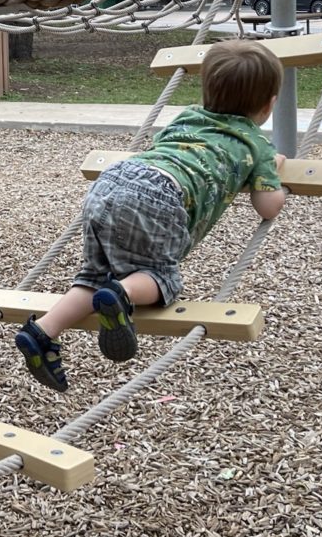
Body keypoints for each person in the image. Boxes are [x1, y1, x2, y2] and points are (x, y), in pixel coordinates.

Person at [15, 39, 288, 391]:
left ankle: (43, 331)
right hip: (162, 195)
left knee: (94, 276)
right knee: (161, 279)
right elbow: (269, 206)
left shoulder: (188, 117)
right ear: (269, 106)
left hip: (112, 181)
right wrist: (271, 173)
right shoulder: (256, 145)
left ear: (207, 92)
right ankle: (123, 293)